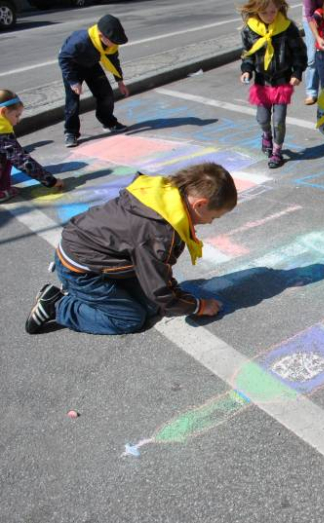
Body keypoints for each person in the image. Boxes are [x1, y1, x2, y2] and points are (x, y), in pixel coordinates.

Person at [24, 163, 237, 336]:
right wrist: (198, 306)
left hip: (98, 254)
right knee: (129, 318)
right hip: (83, 271)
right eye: (214, 216)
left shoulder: (163, 194)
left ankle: (88, 294)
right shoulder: (159, 232)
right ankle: (58, 305)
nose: (211, 222)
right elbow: (159, 289)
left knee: (152, 307)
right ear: (199, 204)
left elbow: (157, 275)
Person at [240, 0, 307, 169]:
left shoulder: (287, 27)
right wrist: (247, 69)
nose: (270, 16)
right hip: (262, 82)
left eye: (273, 12)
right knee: (262, 119)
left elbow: (299, 53)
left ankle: (277, 151)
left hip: (282, 82)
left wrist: (297, 72)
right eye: (265, 13)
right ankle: (266, 135)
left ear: (278, 8)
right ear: (256, 11)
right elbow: (247, 54)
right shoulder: (250, 29)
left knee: (279, 120)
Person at [58, 14, 130, 148]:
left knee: (106, 94)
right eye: (113, 41)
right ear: (101, 35)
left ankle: (108, 122)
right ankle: (71, 132)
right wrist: (73, 81)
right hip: (73, 66)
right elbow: (63, 58)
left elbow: (114, 61)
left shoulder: (111, 45)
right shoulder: (80, 41)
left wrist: (120, 81)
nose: (115, 44)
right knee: (72, 101)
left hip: (91, 65)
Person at [0, 90, 65, 202]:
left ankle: (3, 187)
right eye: (17, 115)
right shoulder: (2, 135)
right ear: (4, 111)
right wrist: (51, 181)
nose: (18, 120)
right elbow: (23, 161)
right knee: (11, 157)